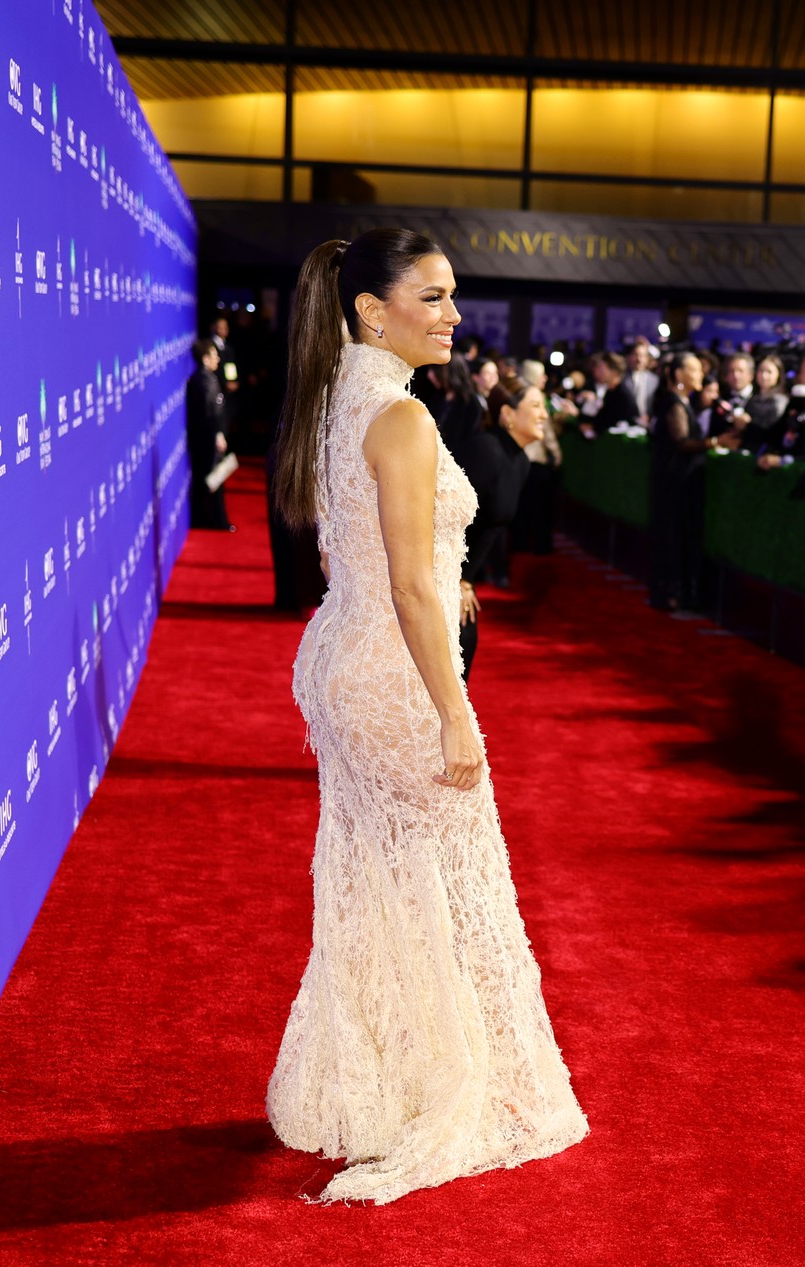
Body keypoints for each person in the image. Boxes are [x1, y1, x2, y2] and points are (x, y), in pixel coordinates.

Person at [264, 229, 589, 1204]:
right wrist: (455, 712)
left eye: (453, 296)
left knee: (385, 880)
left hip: (346, 654)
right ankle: (439, 1092)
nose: (454, 315)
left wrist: (446, 585)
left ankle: (383, 1083)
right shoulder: (398, 415)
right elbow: (407, 583)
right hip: (393, 674)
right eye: (434, 296)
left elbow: (362, 555)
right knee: (447, 882)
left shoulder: (340, 397)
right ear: (373, 309)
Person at [450, 382, 546, 676]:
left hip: (457, 570)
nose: (544, 414)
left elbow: (492, 526)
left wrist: (465, 580)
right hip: (430, 561)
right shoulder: (486, 451)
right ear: (508, 414)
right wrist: (451, 580)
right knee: (460, 637)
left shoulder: (521, 461)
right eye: (536, 406)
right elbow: (443, 516)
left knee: (465, 634)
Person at [648, 350, 709, 611]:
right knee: (672, 537)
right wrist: (715, 442)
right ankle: (669, 593)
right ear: (679, 374)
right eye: (695, 369)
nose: (701, 374)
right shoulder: (673, 403)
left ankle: (673, 591)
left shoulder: (681, 402)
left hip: (675, 482)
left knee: (676, 536)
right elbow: (682, 441)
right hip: (674, 484)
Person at [185, 338, 233, 531]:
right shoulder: (203, 381)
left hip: (207, 438)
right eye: (214, 355)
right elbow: (208, 413)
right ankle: (217, 521)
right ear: (205, 359)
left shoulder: (206, 378)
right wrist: (217, 435)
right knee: (212, 479)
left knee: (211, 479)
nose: (218, 359)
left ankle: (211, 519)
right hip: (206, 440)